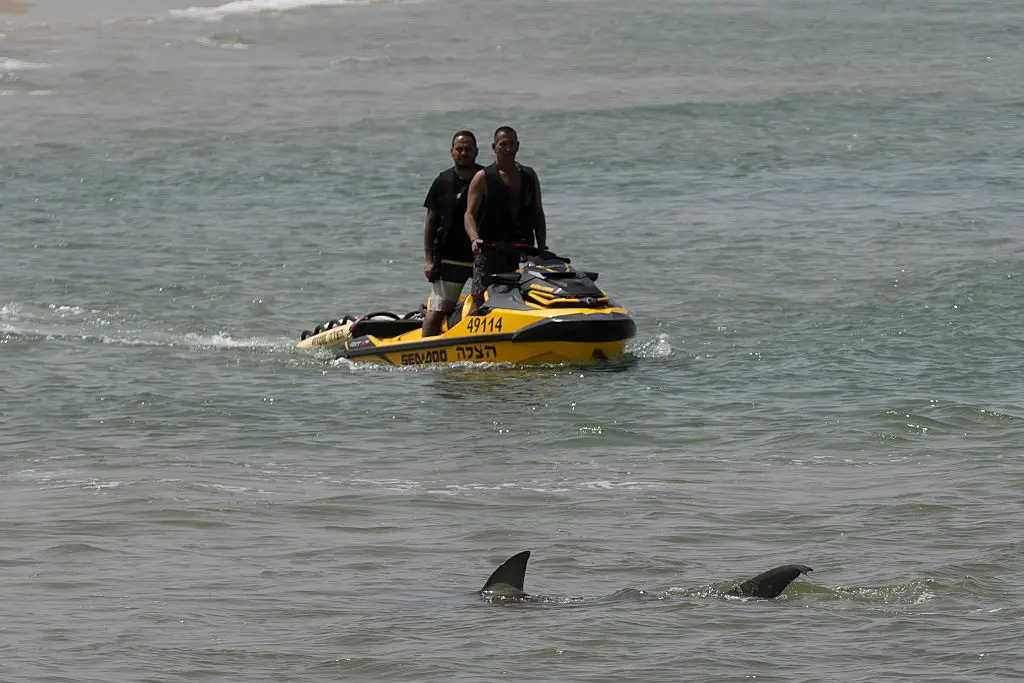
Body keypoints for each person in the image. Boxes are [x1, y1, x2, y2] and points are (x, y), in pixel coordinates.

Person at [463, 126, 547, 314]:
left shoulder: (529, 176)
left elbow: (538, 214)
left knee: (526, 294)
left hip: (522, 249)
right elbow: (469, 214)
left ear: (518, 146)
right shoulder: (483, 177)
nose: (508, 149)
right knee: (479, 296)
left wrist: (542, 247)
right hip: (490, 249)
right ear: (494, 147)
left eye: (512, 144)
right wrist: (474, 239)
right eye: (503, 144)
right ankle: (469, 334)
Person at [421, 130, 485, 336]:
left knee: (482, 308)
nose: (464, 153)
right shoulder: (442, 181)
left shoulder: (486, 178)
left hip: (481, 256)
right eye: (459, 149)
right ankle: (424, 352)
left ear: (476, 151)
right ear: (452, 152)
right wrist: (429, 259)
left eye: (468, 149)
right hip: (449, 257)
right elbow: (430, 223)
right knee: (437, 311)